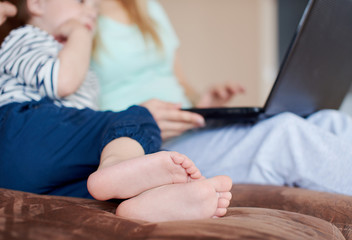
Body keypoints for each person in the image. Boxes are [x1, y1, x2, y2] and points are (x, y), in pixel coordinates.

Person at [92, 0, 352, 197]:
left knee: (330, 120)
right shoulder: (79, 16)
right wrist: (141, 118)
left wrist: (202, 102)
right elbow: (75, 113)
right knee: (284, 134)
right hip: (146, 142)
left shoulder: (146, 8)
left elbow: (179, 82)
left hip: (191, 127)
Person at [0, 0, 233, 223]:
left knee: (108, 185)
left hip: (37, 178)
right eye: (81, 1)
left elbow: (80, 124)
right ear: (37, 4)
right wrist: (80, 32)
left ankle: (145, 202)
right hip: (17, 133)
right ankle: (116, 164)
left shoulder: (81, 66)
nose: (91, 11)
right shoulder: (25, 37)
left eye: (94, 6)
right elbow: (63, 82)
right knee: (138, 117)